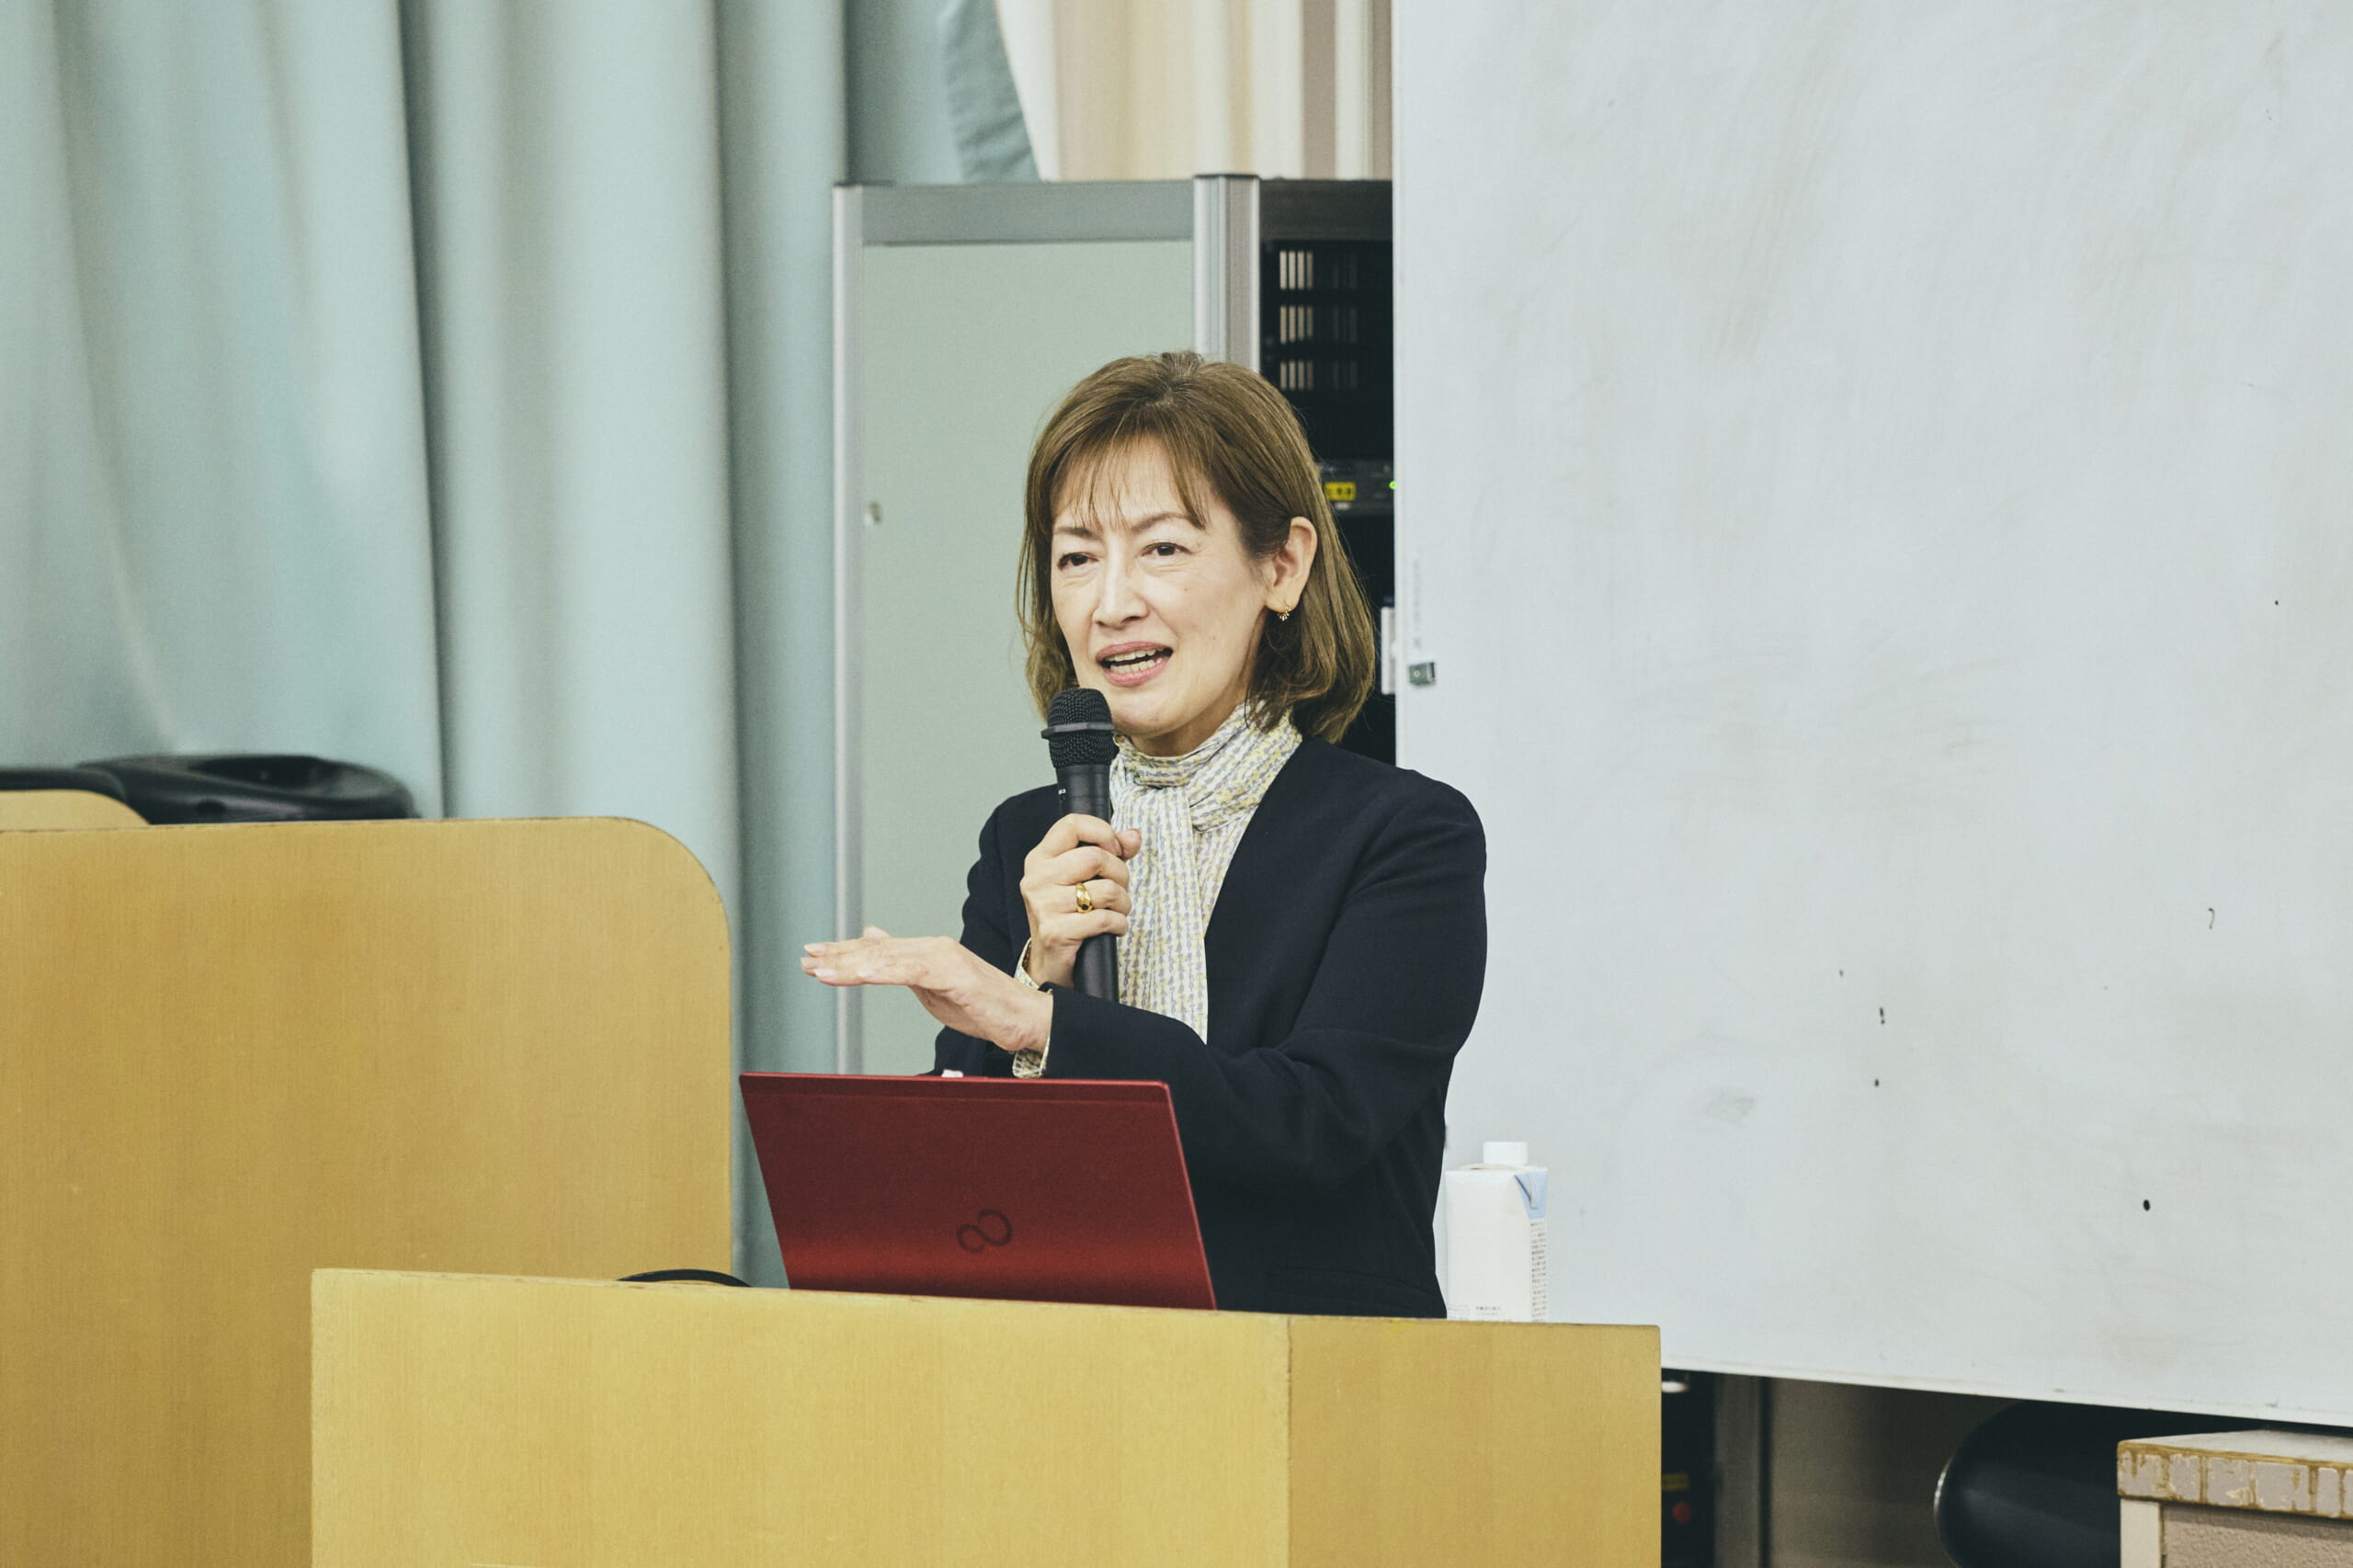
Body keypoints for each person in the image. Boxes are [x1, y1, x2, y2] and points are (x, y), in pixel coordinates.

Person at [802, 351, 1486, 1317]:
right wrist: (1039, 969)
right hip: (1064, 1363)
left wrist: (1039, 1021)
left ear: (1282, 566)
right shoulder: (1023, 839)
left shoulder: (1402, 836)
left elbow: (1317, 1123)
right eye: (1076, 557)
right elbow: (970, 1184)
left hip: (1311, 1368)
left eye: (1162, 549)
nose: (1111, 602)